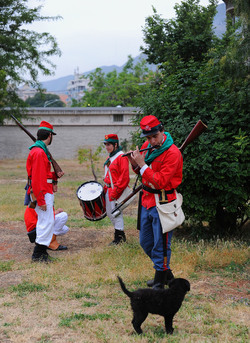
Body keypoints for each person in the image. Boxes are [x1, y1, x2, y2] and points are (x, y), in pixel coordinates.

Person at [127, 115, 183, 289]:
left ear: (162, 131)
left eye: (154, 136)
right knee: (146, 242)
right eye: (148, 137)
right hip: (147, 200)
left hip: (164, 201)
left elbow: (161, 181)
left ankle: (159, 280)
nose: (151, 141)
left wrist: (142, 165)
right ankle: (167, 275)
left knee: (162, 244)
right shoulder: (147, 147)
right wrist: (134, 162)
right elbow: (141, 172)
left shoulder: (173, 152)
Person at [26, 120, 64, 262]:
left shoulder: (40, 151)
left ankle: (41, 252)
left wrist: (55, 175)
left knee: (46, 222)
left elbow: (44, 175)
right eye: (51, 135)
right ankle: (38, 254)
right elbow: (37, 179)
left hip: (45, 190)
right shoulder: (39, 152)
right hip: (42, 192)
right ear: (49, 135)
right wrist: (41, 200)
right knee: (45, 223)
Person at [103, 134, 130, 245]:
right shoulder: (110, 156)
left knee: (116, 213)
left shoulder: (121, 156)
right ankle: (120, 234)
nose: (107, 147)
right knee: (110, 213)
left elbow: (124, 177)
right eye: (105, 144)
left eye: (109, 144)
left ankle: (118, 238)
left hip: (116, 189)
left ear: (115, 144)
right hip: (109, 189)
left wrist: (116, 191)